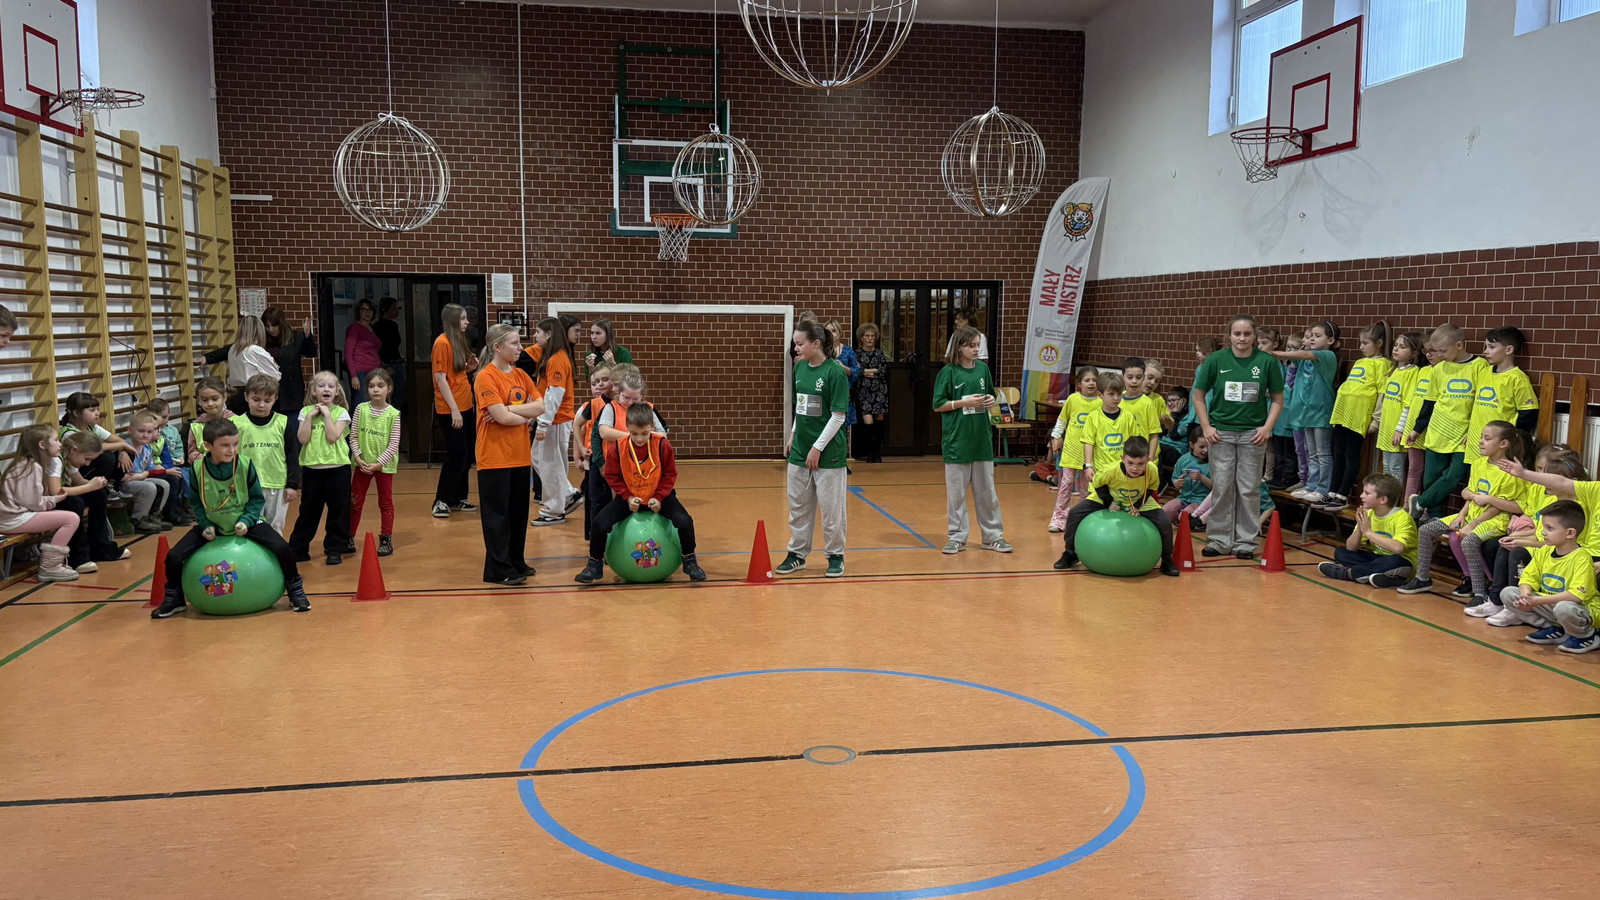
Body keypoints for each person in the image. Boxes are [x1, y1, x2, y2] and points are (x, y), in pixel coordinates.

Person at [151, 418, 309, 618]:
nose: (232, 450)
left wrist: (246, 520)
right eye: (225, 445)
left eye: (235, 444)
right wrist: (205, 524)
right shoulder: (198, 469)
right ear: (208, 446)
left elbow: (256, 500)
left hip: (248, 522)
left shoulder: (245, 464)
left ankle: (295, 589)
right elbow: (196, 502)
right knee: (173, 556)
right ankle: (174, 598)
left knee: (283, 548)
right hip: (214, 524)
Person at [1397, 421, 1531, 603]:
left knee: (1468, 542)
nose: (1481, 441)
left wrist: (1474, 523)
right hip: (1471, 514)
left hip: (1494, 519)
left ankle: (1480, 593)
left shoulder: (1509, 471)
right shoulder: (1478, 464)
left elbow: (1499, 505)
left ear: (1503, 444)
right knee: (1426, 530)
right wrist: (1461, 515)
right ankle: (1422, 578)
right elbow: (1470, 495)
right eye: (1481, 437)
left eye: (1487, 438)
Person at [576, 402, 707, 584]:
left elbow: (670, 474)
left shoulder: (662, 445)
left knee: (685, 521)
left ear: (652, 427)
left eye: (644, 433)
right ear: (627, 428)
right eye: (634, 433)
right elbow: (612, 475)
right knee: (598, 524)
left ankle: (690, 561)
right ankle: (594, 565)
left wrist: (659, 497)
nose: (639, 438)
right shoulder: (618, 447)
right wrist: (627, 497)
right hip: (629, 497)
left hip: (658, 496)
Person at [1192, 315, 1286, 560]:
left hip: (1253, 435)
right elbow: (1198, 395)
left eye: (1247, 334)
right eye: (1237, 334)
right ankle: (1219, 540)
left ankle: (1246, 542)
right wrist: (1206, 427)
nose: (1242, 338)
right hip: (1220, 434)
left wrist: (1267, 428)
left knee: (1248, 489)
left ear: (1254, 336)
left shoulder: (1266, 362)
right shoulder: (1216, 360)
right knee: (1222, 487)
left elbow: (1278, 398)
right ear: (1229, 336)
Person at [1480, 446, 1588, 622]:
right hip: (1546, 549)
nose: (1544, 479)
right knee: (1502, 548)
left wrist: (1522, 542)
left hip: (1559, 555)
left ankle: (1517, 611)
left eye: (1548, 474)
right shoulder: (1553, 501)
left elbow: (1555, 541)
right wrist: (1517, 537)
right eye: (1539, 470)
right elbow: (1541, 533)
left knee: (1517, 553)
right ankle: (1499, 601)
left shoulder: (1577, 511)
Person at [776, 321, 849, 578]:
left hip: (828, 453)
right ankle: (797, 554)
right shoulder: (799, 368)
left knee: (831, 510)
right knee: (798, 507)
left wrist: (817, 447)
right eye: (794, 344)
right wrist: (793, 435)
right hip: (800, 449)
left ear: (816, 344)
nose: (795, 348)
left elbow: (838, 416)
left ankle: (835, 555)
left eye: (799, 344)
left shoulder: (835, 372)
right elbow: (802, 406)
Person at [474, 323, 545, 586]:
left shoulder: (522, 375)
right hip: (494, 456)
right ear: (497, 347)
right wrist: (522, 413)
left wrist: (510, 409)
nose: (520, 348)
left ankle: (516, 561)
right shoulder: (485, 377)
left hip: (520, 455)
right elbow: (500, 417)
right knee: (497, 516)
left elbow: (540, 406)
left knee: (517, 513)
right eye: (514, 343)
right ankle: (498, 568)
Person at [932, 325, 1010, 554]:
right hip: (957, 441)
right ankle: (957, 537)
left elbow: (991, 394)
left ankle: (993, 537)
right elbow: (938, 404)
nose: (976, 349)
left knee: (987, 493)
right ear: (959, 347)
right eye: (971, 346)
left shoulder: (983, 369)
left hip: (981, 440)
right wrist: (963, 403)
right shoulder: (948, 372)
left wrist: (990, 400)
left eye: (978, 345)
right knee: (956, 495)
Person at [1053, 436, 1179, 577]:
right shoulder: (1111, 470)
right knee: (1074, 513)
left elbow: (1151, 487)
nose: (1135, 468)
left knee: (1165, 522)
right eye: (1130, 463)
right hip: (1108, 497)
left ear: (1148, 460)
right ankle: (1070, 552)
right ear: (1122, 458)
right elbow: (1098, 484)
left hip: (1139, 499)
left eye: (1140, 464)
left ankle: (1167, 560)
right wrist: (1109, 502)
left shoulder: (1152, 470)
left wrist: (1137, 505)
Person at [1405, 323, 1487, 519]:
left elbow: (1481, 403)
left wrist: (1475, 431)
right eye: (1436, 351)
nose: (1439, 355)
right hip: (1438, 431)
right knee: (1431, 479)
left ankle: (1421, 502)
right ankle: (1434, 519)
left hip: (1464, 433)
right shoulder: (1439, 369)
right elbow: (1429, 402)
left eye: (1443, 350)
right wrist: (1417, 429)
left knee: (1455, 474)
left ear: (1459, 345)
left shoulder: (1480, 366)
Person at [1498, 500, 1599, 653]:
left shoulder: (1581, 558)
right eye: (1543, 527)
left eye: (1549, 528)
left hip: (1581, 609)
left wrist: (1537, 601)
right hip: (1555, 605)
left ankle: (1585, 636)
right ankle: (1555, 628)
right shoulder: (1545, 551)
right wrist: (1526, 596)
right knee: (1508, 593)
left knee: (1564, 607)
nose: (1543, 532)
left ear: (1570, 533)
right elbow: (1527, 578)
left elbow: (1575, 596)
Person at [0, 424, 81, 581]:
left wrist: (52, 500)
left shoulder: (28, 464)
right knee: (71, 518)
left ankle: (52, 564)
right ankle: (50, 566)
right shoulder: (32, 466)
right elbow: (34, 503)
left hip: (11, 517)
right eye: (56, 440)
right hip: (12, 519)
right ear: (42, 445)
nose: (59, 444)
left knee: (68, 516)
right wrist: (53, 500)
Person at [1325, 322, 1392, 509]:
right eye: (1360, 342)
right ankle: (1332, 491)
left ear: (1379, 343)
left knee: (1351, 456)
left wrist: (1375, 420)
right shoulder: (1360, 362)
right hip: (1343, 414)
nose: (1361, 347)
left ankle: (1342, 494)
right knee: (1337, 453)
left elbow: (1382, 394)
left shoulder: (1383, 364)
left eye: (1365, 343)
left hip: (1359, 417)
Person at [290, 371, 353, 566]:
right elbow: (303, 439)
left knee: (338, 510)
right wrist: (310, 417)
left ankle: (335, 548)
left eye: (331, 386)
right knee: (308, 511)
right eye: (321, 386)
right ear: (313, 391)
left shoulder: (341, 413)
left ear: (336, 392)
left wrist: (326, 414)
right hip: (312, 470)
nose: (326, 389)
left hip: (338, 469)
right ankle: (298, 548)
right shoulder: (305, 412)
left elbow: (332, 437)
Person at [523, 317, 581, 527]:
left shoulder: (557, 358)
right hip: (552, 419)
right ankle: (567, 494)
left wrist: (543, 424)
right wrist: (535, 418)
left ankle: (555, 510)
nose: (535, 336)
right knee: (540, 459)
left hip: (556, 420)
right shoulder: (552, 357)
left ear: (548, 334)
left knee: (549, 464)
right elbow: (544, 393)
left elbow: (554, 395)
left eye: (538, 332)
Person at [1275, 321, 1340, 506]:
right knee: (1311, 452)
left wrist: (1277, 353)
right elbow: (1297, 357)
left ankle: (1322, 488)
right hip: (1306, 412)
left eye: (1317, 336)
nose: (1312, 339)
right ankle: (1311, 486)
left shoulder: (1328, 356)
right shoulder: (1304, 359)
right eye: (1311, 336)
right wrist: (1303, 344)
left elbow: (1304, 354)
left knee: (1322, 453)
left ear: (1330, 340)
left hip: (1321, 411)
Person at [1320, 473, 1418, 585]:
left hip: (1402, 561)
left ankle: (1350, 573)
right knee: (1341, 552)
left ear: (1383, 499)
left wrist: (1368, 532)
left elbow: (1398, 548)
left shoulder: (1402, 518)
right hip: (1377, 558)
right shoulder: (1369, 514)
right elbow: (1350, 547)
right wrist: (1360, 528)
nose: (1361, 496)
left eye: (1367, 493)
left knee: (1392, 562)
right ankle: (1379, 576)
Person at [235, 374, 301, 535]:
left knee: (275, 528)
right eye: (256, 399)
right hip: (247, 486)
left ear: (275, 399)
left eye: (267, 400)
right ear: (246, 396)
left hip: (277, 484)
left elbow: (292, 455)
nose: (261, 405)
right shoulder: (237, 424)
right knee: (250, 527)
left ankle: (275, 552)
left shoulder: (282, 422)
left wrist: (292, 485)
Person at [1464, 326, 1539, 464]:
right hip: (1476, 442)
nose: (1485, 351)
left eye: (1491, 347)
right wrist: (1471, 433)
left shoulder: (1518, 378)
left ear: (1508, 350)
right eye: (1486, 346)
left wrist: (1513, 438)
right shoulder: (1484, 372)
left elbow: (1528, 412)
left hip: (1499, 447)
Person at [55, 430, 127, 572]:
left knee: (98, 493)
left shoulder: (69, 458)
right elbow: (57, 492)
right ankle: (78, 557)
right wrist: (89, 486)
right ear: (74, 450)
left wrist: (95, 484)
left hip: (58, 498)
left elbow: (79, 481)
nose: (87, 464)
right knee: (75, 503)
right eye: (86, 458)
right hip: (47, 501)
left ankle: (99, 547)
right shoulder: (56, 460)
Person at [431, 303, 479, 518]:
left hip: (465, 405)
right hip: (451, 409)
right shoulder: (441, 343)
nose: (467, 322)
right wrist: (454, 410)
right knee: (457, 455)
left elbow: (455, 373)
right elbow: (441, 378)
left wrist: (469, 368)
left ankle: (457, 497)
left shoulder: (457, 340)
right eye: (462, 318)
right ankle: (440, 500)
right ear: (452, 320)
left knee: (467, 454)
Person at [349, 368, 401, 557]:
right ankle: (349, 536)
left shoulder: (394, 414)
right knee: (355, 502)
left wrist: (379, 463)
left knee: (385, 503)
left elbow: (393, 444)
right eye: (371, 386)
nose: (376, 390)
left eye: (380, 386)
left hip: (384, 467)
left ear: (389, 388)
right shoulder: (360, 409)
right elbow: (353, 436)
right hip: (362, 465)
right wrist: (358, 458)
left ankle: (386, 538)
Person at [1048, 366, 1101, 531]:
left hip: (1090, 453)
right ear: (1079, 384)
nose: (1091, 383)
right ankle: (1059, 520)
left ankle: (1083, 519)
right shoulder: (1072, 399)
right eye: (1087, 380)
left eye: (1094, 380)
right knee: (1066, 486)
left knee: (1087, 488)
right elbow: (1062, 420)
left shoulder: (1100, 402)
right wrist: (1057, 437)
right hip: (1071, 450)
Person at [59, 391, 133, 499]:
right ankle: (103, 488)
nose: (97, 413)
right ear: (76, 413)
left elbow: (119, 440)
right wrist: (122, 446)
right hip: (79, 468)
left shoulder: (93, 427)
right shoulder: (69, 433)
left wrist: (123, 451)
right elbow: (98, 448)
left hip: (88, 464)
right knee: (106, 457)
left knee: (129, 452)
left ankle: (111, 486)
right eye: (92, 410)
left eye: (98, 409)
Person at [203, 315, 281, 414]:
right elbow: (275, 376)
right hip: (252, 395)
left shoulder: (233, 349)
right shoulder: (256, 350)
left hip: (235, 395)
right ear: (259, 331)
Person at [572, 361, 615, 541]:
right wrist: (580, 451)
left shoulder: (623, 402)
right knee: (595, 500)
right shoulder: (592, 405)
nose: (599, 385)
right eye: (596, 382)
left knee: (615, 500)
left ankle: (615, 537)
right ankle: (596, 540)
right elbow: (577, 426)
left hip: (617, 459)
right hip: (596, 459)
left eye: (604, 380)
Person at [1378, 332, 1425, 487]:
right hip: (1386, 428)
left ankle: (1393, 499)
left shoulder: (1413, 372)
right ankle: (1385, 498)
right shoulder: (1393, 371)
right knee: (1386, 467)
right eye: (1396, 345)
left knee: (1396, 468)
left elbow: (1408, 405)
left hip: (1397, 429)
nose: (1396, 349)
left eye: (1402, 347)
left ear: (1414, 353)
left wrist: (1399, 429)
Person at [140, 398, 192, 526]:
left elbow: (167, 457)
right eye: (155, 429)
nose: (158, 432)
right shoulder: (143, 443)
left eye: (157, 429)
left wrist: (167, 467)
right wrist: (160, 468)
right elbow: (145, 462)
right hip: (148, 471)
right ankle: (170, 513)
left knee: (179, 476)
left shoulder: (162, 441)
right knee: (172, 479)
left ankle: (178, 508)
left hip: (163, 468)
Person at [260, 307, 318, 419]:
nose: (271, 329)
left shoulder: (295, 337)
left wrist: (307, 336)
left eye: (274, 325)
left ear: (281, 324)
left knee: (292, 424)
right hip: (269, 390)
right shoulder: (263, 341)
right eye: (267, 326)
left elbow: (310, 353)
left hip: (291, 392)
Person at [122, 410, 174, 534]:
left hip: (139, 478)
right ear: (130, 430)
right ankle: (138, 519)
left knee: (164, 484)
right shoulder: (124, 448)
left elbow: (148, 470)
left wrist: (145, 474)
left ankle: (154, 516)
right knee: (149, 487)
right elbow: (123, 477)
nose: (145, 435)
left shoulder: (147, 448)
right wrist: (142, 475)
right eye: (141, 431)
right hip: (123, 485)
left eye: (149, 432)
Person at [854, 323, 889, 464]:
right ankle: (869, 452)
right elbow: (857, 372)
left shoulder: (879, 354)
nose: (870, 338)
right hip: (864, 392)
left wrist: (866, 372)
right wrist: (871, 371)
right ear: (861, 338)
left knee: (879, 422)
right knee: (868, 422)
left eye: (872, 336)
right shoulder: (857, 354)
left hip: (879, 391)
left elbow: (882, 372)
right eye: (867, 336)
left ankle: (876, 453)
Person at [1163, 425, 1211, 525]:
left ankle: (1200, 520)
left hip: (1201, 500)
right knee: (1164, 513)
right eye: (1201, 447)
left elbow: (1216, 488)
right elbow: (1175, 480)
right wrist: (1178, 483)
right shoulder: (1183, 460)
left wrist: (1201, 478)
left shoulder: (1212, 463)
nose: (1206, 450)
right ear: (1191, 445)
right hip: (1183, 498)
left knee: (1184, 517)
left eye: (1208, 446)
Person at [185, 378, 234, 465]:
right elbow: (191, 454)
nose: (210, 403)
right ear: (199, 400)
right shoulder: (196, 426)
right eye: (204, 400)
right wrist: (209, 460)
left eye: (215, 399)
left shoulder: (236, 421)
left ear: (224, 397)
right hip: (205, 468)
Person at [344, 298, 382, 406]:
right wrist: (354, 376)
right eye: (364, 309)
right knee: (362, 404)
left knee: (373, 403)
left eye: (370, 310)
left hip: (374, 371)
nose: (367, 312)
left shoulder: (371, 329)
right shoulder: (354, 328)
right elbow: (348, 354)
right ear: (358, 312)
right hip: (360, 372)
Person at [374, 297, 406, 415]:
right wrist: (384, 365)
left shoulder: (394, 325)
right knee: (388, 395)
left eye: (398, 309)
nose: (397, 312)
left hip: (397, 361)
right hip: (388, 363)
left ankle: (394, 419)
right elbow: (378, 348)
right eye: (393, 309)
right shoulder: (378, 327)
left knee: (399, 394)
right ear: (384, 310)